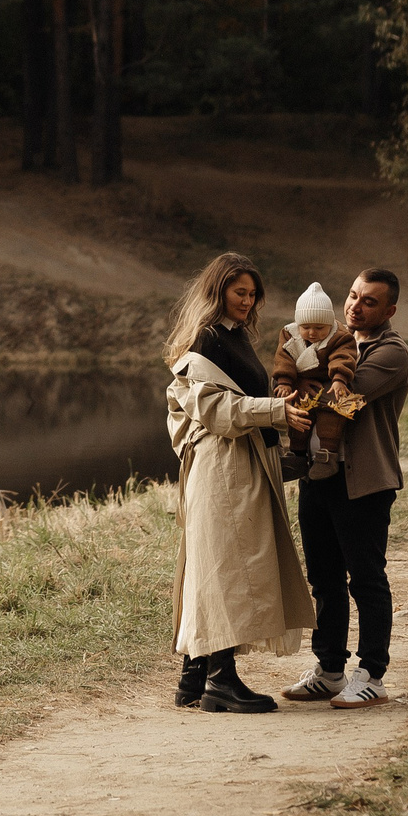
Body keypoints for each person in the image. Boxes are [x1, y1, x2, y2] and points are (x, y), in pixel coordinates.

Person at [163, 251, 317, 714]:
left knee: (217, 562)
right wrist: (276, 412)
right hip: (222, 466)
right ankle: (220, 681)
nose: (247, 302)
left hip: (239, 462)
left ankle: (194, 676)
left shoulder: (233, 338)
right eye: (239, 292)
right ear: (218, 291)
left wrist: (282, 404)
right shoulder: (205, 342)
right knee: (228, 567)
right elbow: (215, 411)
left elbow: (239, 401)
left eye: (253, 295)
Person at [282, 268, 408, 710]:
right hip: (320, 476)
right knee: (323, 577)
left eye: (369, 301)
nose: (355, 306)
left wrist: (294, 390)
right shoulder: (331, 342)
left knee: (367, 579)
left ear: (389, 310)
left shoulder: (391, 353)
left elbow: (344, 401)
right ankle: (330, 669)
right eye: (353, 296)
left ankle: (372, 673)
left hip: (364, 482)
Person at [271, 283, 361, 483]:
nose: (312, 333)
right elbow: (283, 358)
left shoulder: (340, 336)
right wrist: (286, 381)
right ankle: (296, 456)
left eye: (319, 328)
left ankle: (327, 456)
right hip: (301, 386)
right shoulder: (289, 335)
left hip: (329, 384)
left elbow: (343, 357)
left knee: (333, 414)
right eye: (306, 327)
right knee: (299, 418)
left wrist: (339, 379)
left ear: (329, 324)